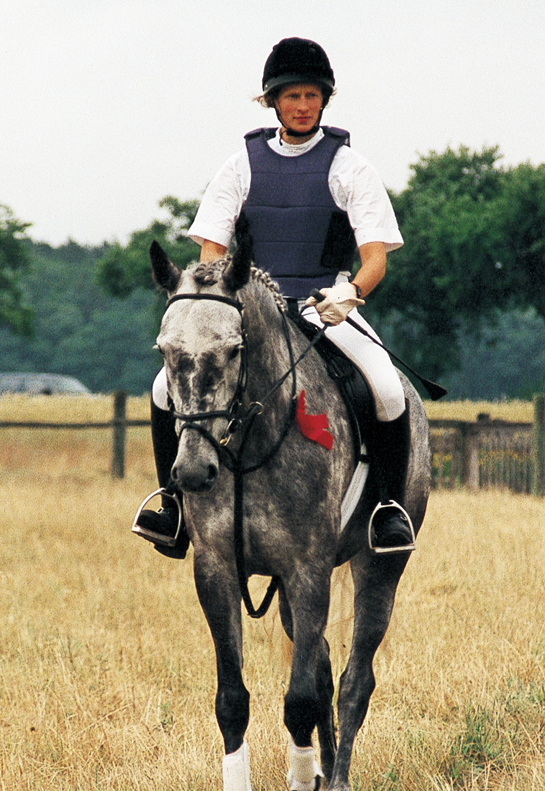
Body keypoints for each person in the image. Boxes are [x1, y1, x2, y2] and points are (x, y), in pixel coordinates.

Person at [134, 36, 414, 557]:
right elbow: (211, 255)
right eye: (292, 97)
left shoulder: (351, 167)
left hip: (324, 307)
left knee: (387, 388)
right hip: (249, 312)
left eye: (312, 96)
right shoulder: (240, 165)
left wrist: (348, 293)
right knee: (160, 387)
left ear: (324, 100)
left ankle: (386, 509)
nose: (303, 106)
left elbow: (375, 258)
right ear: (273, 102)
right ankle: (172, 504)